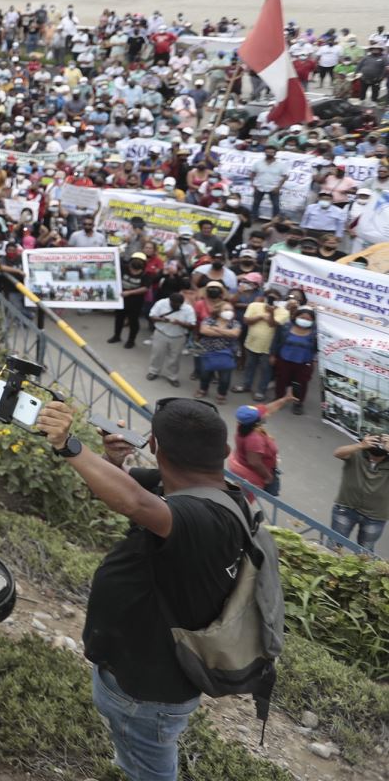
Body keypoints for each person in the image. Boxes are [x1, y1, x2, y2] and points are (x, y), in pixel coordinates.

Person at [34, 396, 249, 781]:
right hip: (143, 675)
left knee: (150, 770)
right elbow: (123, 489)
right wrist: (113, 461)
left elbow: (133, 502)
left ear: (155, 447)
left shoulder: (205, 518)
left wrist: (69, 444)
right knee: (137, 758)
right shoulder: (201, 491)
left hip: (148, 690)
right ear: (225, 452)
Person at [329, 434, 389, 552]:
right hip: (346, 508)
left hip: (375, 517)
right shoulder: (357, 452)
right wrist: (360, 445)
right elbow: (337, 453)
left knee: (365, 553)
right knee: (333, 547)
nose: (373, 458)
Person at [227, 398, 293, 498]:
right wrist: (268, 477)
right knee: (244, 500)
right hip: (250, 475)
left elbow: (267, 409)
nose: (265, 414)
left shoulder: (243, 424)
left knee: (239, 493)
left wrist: (285, 399)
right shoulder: (254, 439)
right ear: (256, 421)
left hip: (240, 464)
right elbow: (254, 462)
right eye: (261, 415)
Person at [268, 309, 319, 413]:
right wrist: (272, 355)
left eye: (308, 319)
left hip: (304, 362)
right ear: (296, 317)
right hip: (284, 359)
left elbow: (316, 349)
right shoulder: (285, 327)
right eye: (302, 317)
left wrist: (314, 361)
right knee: (281, 380)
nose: (304, 320)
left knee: (301, 383)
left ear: (313, 321)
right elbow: (276, 341)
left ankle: (298, 403)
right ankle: (279, 399)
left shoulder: (315, 334)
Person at [194, 300, 242, 402]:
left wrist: (216, 329)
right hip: (207, 351)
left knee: (225, 377)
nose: (229, 312)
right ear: (219, 311)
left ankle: (222, 394)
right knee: (205, 374)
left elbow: (235, 334)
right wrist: (226, 333)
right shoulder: (209, 320)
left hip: (227, 353)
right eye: (226, 309)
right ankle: (203, 389)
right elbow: (204, 331)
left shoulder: (235, 323)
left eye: (231, 310)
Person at [146, 291, 197, 387]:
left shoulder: (188, 309)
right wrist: (163, 320)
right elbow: (152, 316)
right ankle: (153, 371)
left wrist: (180, 323)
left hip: (179, 336)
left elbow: (192, 325)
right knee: (157, 354)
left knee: (175, 358)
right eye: (174, 304)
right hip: (161, 333)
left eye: (178, 305)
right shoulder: (161, 303)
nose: (176, 307)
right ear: (170, 301)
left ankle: (172, 377)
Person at [109, 251, 149, 349]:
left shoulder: (146, 275)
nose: (137, 262)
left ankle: (131, 341)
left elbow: (145, 288)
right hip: (121, 300)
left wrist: (130, 293)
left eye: (140, 261)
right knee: (119, 318)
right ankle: (117, 336)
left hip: (135, 302)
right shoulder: (124, 268)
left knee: (133, 321)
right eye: (135, 260)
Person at [248, 146, 289, 220]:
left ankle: (275, 221)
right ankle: (254, 217)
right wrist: (253, 184)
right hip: (259, 186)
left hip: (274, 187)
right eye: (267, 152)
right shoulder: (258, 163)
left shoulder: (281, 165)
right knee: (256, 203)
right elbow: (252, 174)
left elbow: (285, 176)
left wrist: (278, 187)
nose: (269, 154)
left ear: (275, 153)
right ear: (264, 152)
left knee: (276, 205)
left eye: (271, 152)